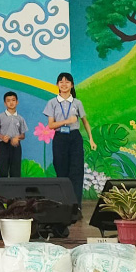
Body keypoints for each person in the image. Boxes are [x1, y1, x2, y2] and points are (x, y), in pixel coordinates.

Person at [43, 72, 97, 208]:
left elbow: (85, 121)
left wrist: (91, 139)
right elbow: (51, 125)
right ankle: (63, 205)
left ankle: (76, 205)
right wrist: (67, 121)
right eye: (61, 82)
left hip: (75, 137)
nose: (64, 84)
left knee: (76, 171)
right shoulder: (52, 103)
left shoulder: (77, 103)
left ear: (72, 85)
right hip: (60, 138)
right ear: (57, 85)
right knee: (61, 171)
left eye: (67, 82)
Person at [0, 92, 28, 178]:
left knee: (15, 171)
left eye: (13, 100)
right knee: (3, 169)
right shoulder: (0, 117)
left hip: (16, 146)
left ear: (17, 102)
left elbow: (23, 135)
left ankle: (15, 187)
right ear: (5, 103)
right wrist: (2, 137)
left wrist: (17, 137)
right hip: (4, 145)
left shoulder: (20, 118)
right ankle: (2, 186)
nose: (11, 103)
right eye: (8, 101)